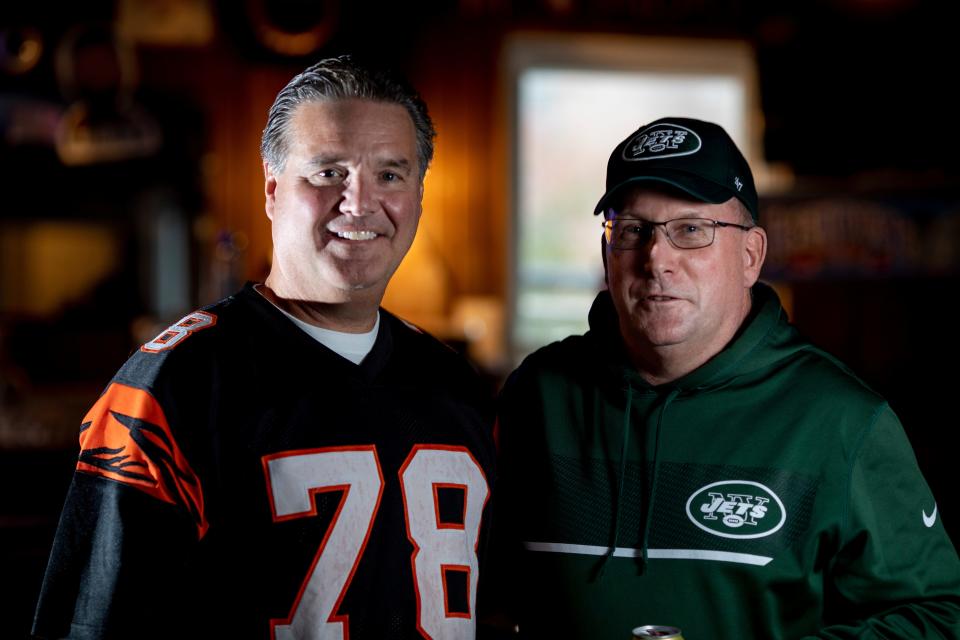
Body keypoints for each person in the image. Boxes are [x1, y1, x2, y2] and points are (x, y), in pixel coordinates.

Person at [33, 56, 496, 640]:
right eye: (328, 173)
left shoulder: (456, 386)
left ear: (418, 197)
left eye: (390, 175)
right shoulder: (173, 388)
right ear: (273, 192)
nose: (359, 202)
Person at [487, 117, 960, 638]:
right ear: (608, 252)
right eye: (633, 230)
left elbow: (937, 615)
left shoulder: (840, 421)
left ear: (751, 256)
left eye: (691, 230)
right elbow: (483, 591)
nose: (657, 259)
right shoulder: (538, 394)